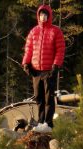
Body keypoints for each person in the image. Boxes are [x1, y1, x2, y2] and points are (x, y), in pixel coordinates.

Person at [21, 4, 65, 133]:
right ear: (38, 16)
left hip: (48, 71)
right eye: (41, 14)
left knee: (48, 98)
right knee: (39, 97)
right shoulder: (34, 31)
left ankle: (48, 123)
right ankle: (40, 122)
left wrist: (55, 65)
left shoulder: (55, 31)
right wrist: (26, 64)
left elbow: (60, 50)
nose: (43, 17)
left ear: (49, 16)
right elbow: (28, 49)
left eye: (45, 15)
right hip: (36, 71)